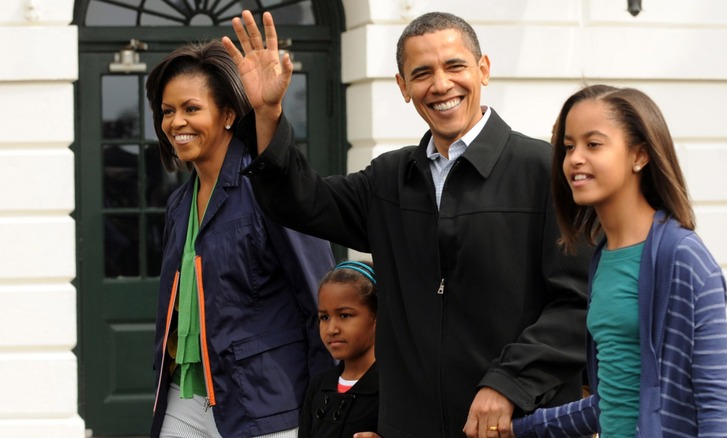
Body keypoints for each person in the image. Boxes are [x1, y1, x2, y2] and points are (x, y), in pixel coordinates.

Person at [222, 10, 592, 437]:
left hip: (519, 422)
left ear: (483, 69)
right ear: (403, 87)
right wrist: (268, 113)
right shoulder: (389, 179)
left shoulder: (545, 172)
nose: (440, 85)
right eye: (422, 73)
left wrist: (508, 385)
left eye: (455, 66)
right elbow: (302, 201)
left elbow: (577, 304)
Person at [512, 84, 727, 437]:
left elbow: (718, 403)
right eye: (569, 146)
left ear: (640, 156)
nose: (574, 159)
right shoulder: (603, 257)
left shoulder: (682, 257)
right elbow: (615, 402)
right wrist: (520, 429)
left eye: (593, 144)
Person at [145, 40, 335, 438]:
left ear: (228, 113)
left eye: (191, 108)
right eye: (167, 112)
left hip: (266, 402)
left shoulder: (271, 189)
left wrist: (326, 407)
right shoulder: (179, 204)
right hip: (185, 394)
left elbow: (321, 302)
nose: (175, 123)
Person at [299, 261, 380, 438]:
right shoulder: (318, 387)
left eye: (344, 315)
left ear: (376, 317)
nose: (332, 329)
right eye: (324, 317)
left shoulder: (392, 389)